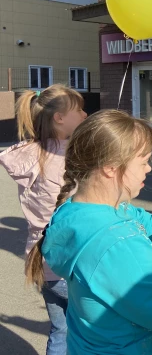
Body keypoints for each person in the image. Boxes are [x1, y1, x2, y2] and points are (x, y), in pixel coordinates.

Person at [25, 110, 152, 355]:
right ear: (110, 168)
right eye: (143, 161)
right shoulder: (112, 243)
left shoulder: (84, 209)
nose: (149, 169)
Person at [0, 84, 87, 355]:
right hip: (72, 264)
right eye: (79, 110)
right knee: (93, 331)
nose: (85, 115)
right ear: (59, 118)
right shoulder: (69, 156)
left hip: (40, 263)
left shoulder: (30, 153)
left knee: (60, 330)